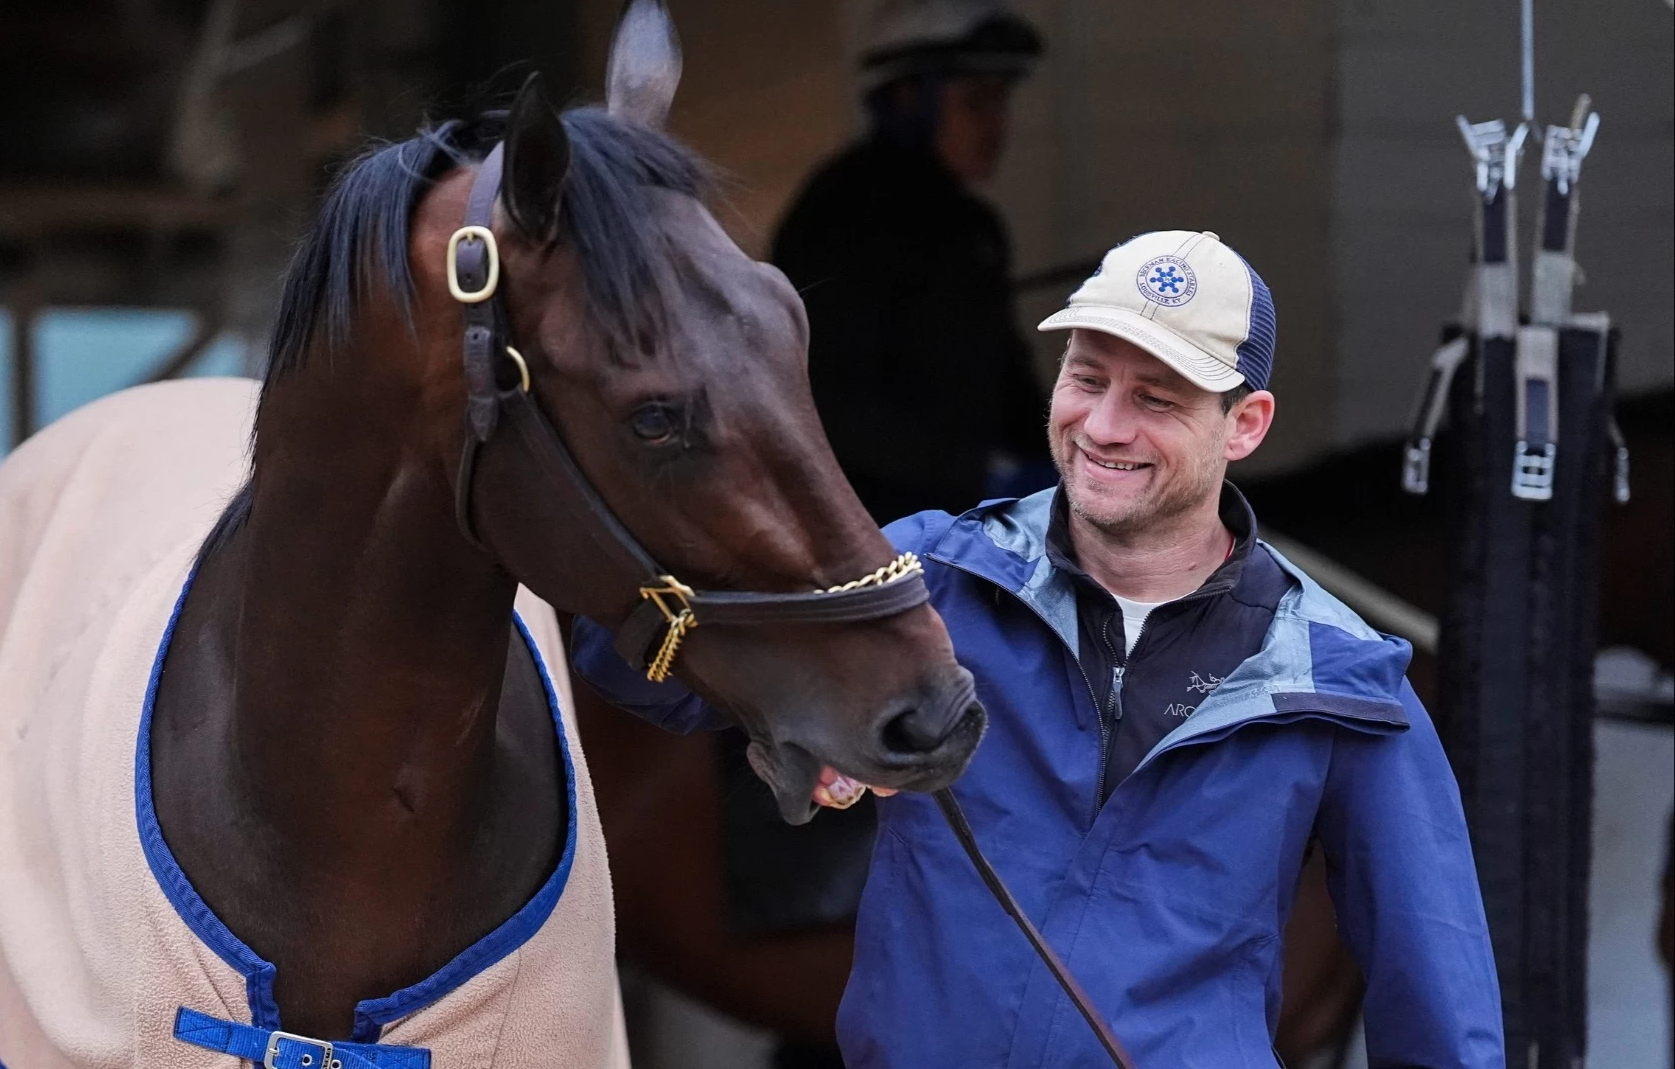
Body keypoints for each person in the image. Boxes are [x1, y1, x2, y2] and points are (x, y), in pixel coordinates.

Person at [573, 231, 1505, 1066]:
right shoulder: (923, 579)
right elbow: (652, 675)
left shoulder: (1342, 682)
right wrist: (793, 716)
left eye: (1158, 398)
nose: (1103, 426)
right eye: (1087, 377)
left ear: (1246, 424)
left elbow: (1440, 1006)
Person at [775, 0, 1054, 526]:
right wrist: (980, 473)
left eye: (1002, 101)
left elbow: (1007, 381)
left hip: (972, 520)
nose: (997, 124)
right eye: (975, 103)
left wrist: (1069, 457)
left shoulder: (973, 225)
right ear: (907, 98)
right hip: (872, 536)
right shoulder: (839, 214)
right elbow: (826, 400)